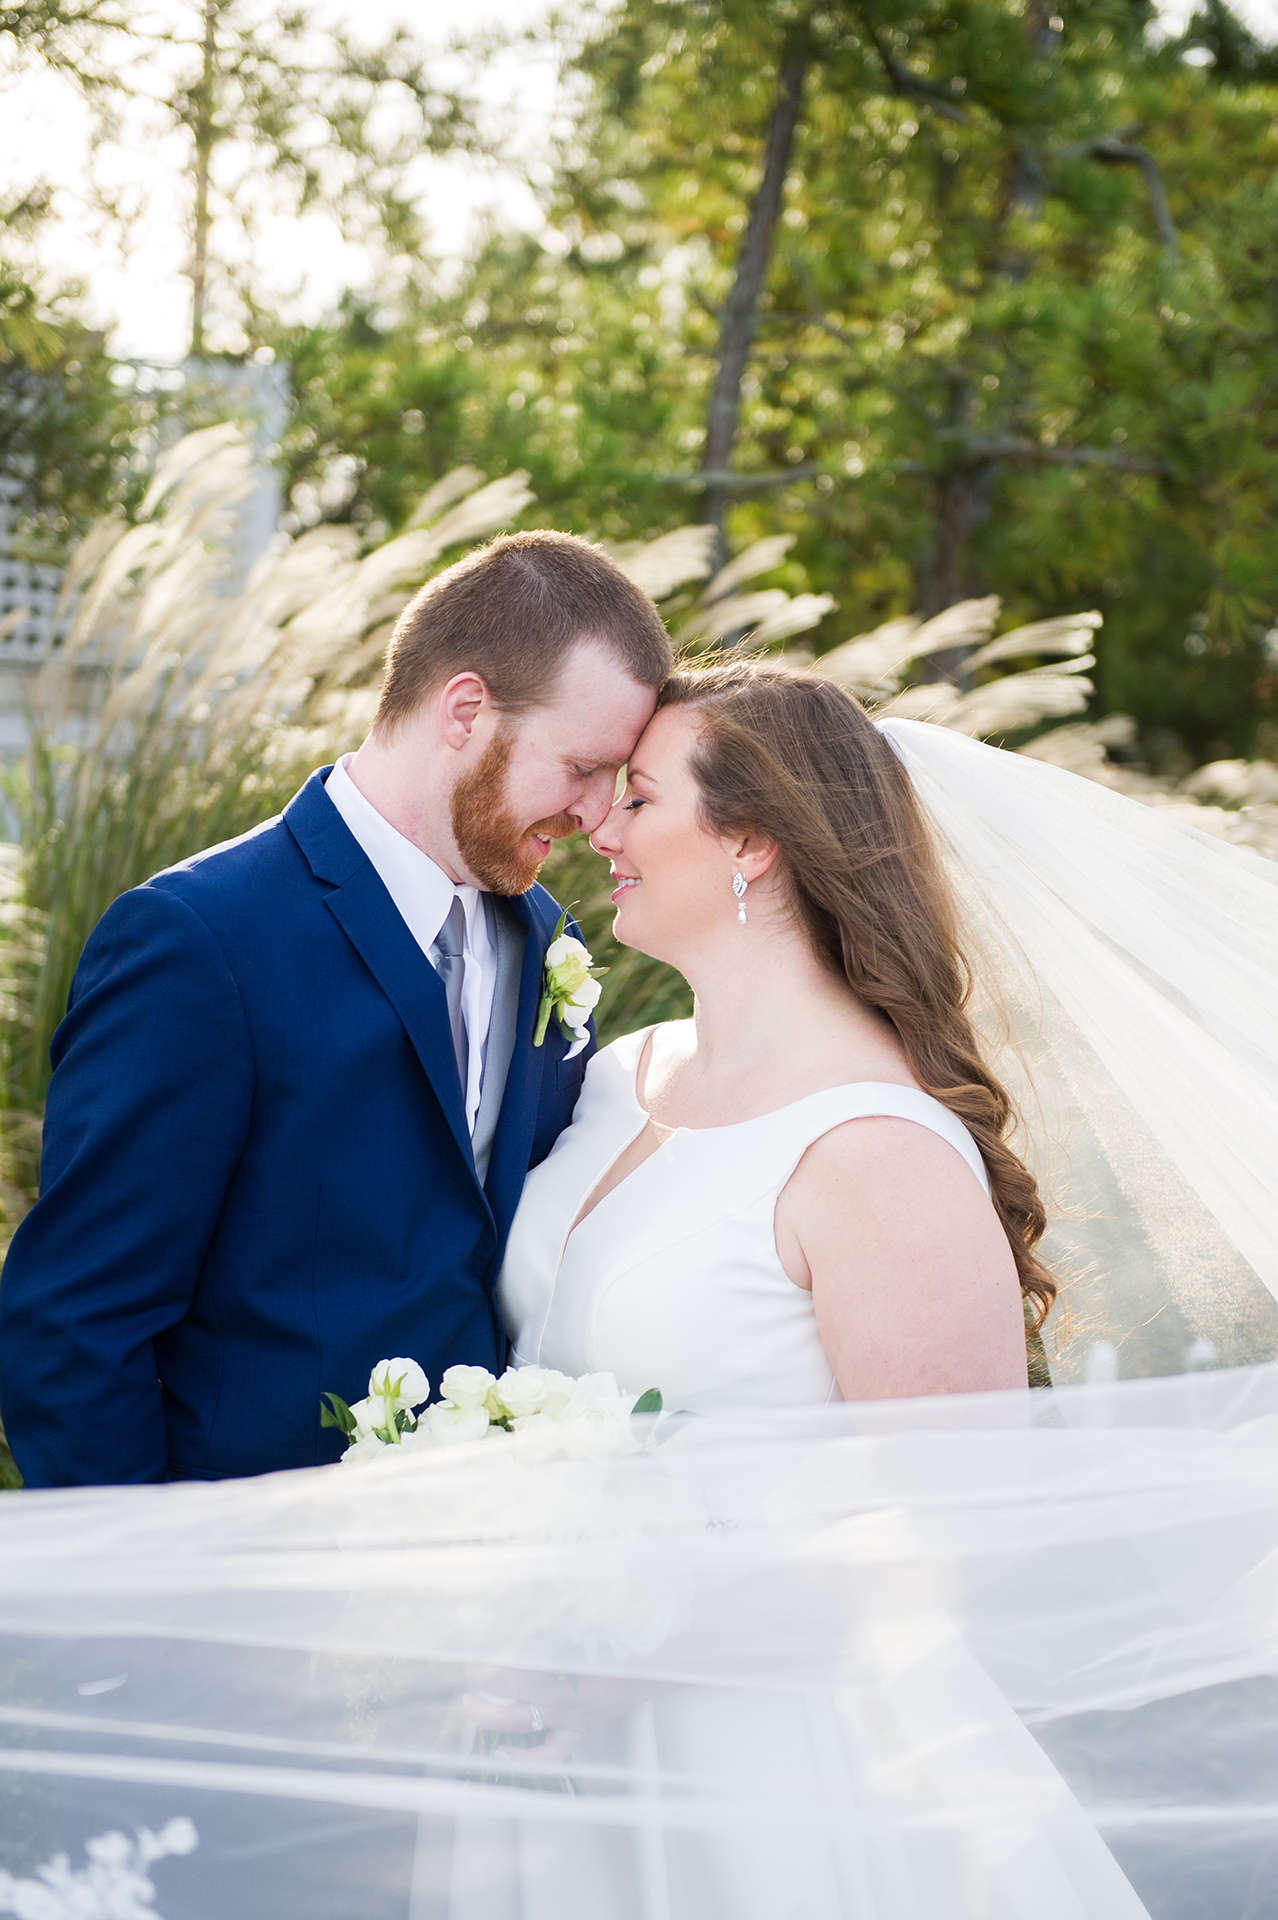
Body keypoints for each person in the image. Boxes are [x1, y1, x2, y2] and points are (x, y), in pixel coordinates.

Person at [0, 530, 669, 1487]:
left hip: (475, 1562)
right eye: (581, 768)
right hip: (246, 1569)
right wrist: (147, 1608)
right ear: (466, 711)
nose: (599, 814)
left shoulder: (545, 939)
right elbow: (74, 1324)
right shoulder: (199, 939)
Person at [499, 659, 1052, 1414]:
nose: (600, 828)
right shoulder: (619, 1073)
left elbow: (956, 1511)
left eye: (640, 799)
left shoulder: (884, 1158)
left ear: (750, 842)